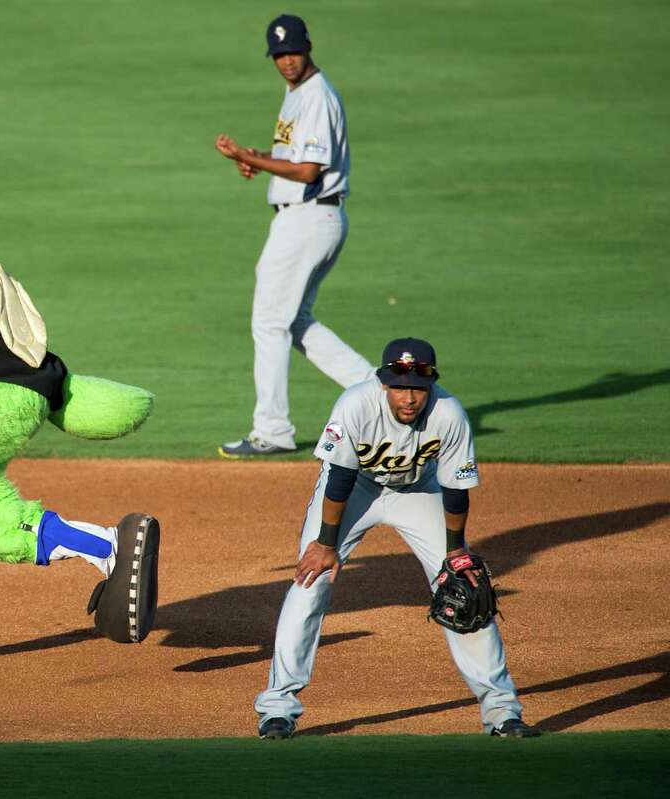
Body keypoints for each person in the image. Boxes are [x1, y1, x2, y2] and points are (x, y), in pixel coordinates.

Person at [253, 337, 539, 739]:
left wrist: (455, 553)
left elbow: (455, 489)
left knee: (463, 588)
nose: (410, 398)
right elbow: (339, 478)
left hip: (419, 492)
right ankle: (278, 709)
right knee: (309, 581)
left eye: (418, 388)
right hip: (356, 490)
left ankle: (502, 709)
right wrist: (325, 544)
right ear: (384, 383)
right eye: (400, 386)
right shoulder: (355, 404)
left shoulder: (449, 413)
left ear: (431, 385)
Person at [216, 13, 374, 458]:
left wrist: (260, 163)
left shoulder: (317, 97)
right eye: (279, 55)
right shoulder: (298, 94)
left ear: (309, 47)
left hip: (306, 220)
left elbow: (308, 171)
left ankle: (272, 429)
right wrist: (254, 156)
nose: (287, 61)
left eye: (293, 52)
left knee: (269, 322)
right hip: (307, 219)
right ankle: (378, 392)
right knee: (295, 321)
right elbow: (293, 157)